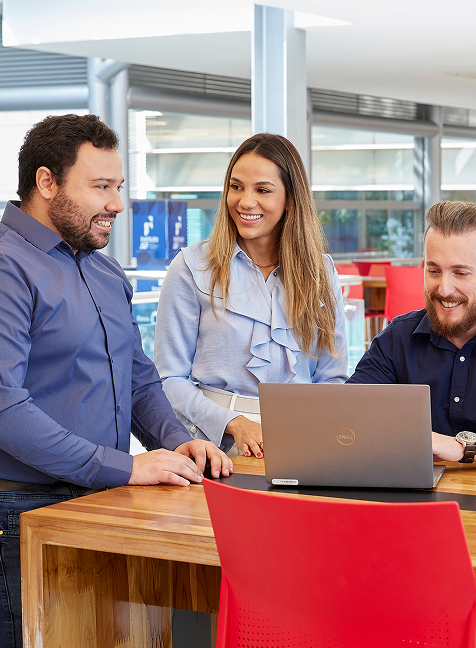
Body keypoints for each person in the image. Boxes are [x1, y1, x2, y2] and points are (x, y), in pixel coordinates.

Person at [0, 113, 232, 648]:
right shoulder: (9, 267)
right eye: (101, 187)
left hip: (98, 502)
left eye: (119, 186)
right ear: (46, 183)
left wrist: (178, 443)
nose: (117, 204)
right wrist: (125, 466)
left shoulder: (105, 272)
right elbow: (5, 409)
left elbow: (139, 378)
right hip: (21, 514)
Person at [154, 133, 348, 458]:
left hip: (302, 441)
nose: (245, 201)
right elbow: (169, 379)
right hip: (213, 444)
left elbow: (333, 377)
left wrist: (313, 432)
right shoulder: (190, 266)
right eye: (236, 186)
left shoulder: (321, 272)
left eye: (263, 190)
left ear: (290, 198)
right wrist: (235, 423)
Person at [348, 200, 476, 468]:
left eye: (460, 273)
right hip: (416, 499)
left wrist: (460, 447)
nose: (444, 289)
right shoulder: (397, 338)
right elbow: (348, 418)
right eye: (433, 271)